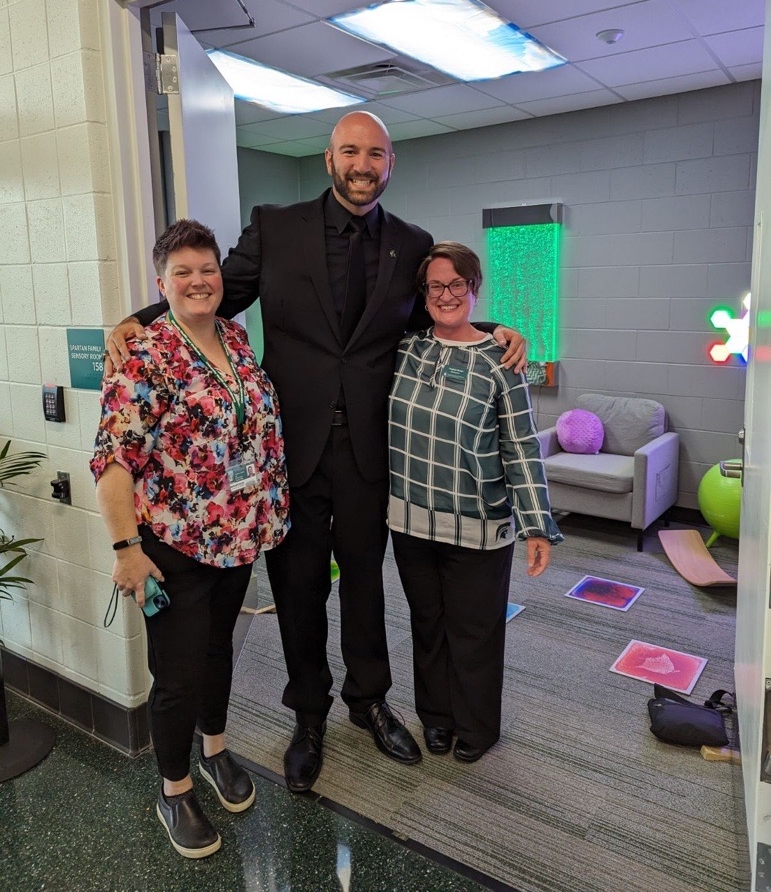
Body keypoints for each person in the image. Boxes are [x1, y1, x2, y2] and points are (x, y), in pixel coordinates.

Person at [105, 111, 526, 794]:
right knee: (299, 593)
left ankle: (368, 701)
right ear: (330, 159)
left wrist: (501, 329)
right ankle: (308, 716)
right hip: (285, 460)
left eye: (377, 154)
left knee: (364, 586)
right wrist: (137, 318)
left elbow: (436, 317)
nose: (363, 164)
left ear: (390, 164)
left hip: (368, 453)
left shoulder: (410, 243)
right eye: (350, 151)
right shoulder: (275, 226)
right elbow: (213, 295)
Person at [91, 219, 289, 858]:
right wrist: (127, 548)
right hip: (171, 547)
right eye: (183, 272)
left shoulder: (236, 337)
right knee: (175, 674)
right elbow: (113, 460)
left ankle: (215, 749)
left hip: (235, 538)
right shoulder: (142, 354)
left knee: (217, 653)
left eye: (207, 269)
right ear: (162, 284)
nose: (199, 280)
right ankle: (174, 788)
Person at [388, 241, 562, 762]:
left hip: (479, 525)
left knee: (475, 632)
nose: (446, 295)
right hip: (411, 520)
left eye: (456, 284)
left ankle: (477, 727)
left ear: (473, 288)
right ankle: (436, 719)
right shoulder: (406, 348)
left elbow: (522, 445)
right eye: (435, 286)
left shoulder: (502, 360)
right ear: (423, 295)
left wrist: (537, 525)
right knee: (427, 625)